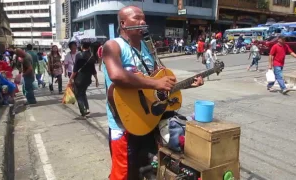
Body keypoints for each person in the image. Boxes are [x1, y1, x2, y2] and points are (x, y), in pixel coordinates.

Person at [102, 6, 204, 180]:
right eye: (137, 18)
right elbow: (117, 75)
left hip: (148, 118)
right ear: (123, 23)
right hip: (124, 121)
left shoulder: (148, 47)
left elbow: (161, 82)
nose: (143, 22)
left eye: (144, 18)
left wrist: (187, 85)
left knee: (148, 167)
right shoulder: (113, 46)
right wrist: (156, 83)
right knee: (123, 174)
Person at [68, 39, 99, 117]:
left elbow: (75, 70)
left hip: (79, 78)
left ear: (82, 46)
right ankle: (87, 108)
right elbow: (93, 70)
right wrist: (96, 80)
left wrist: (70, 79)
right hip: (88, 79)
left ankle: (83, 110)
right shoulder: (91, 56)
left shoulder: (79, 55)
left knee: (78, 94)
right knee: (83, 93)